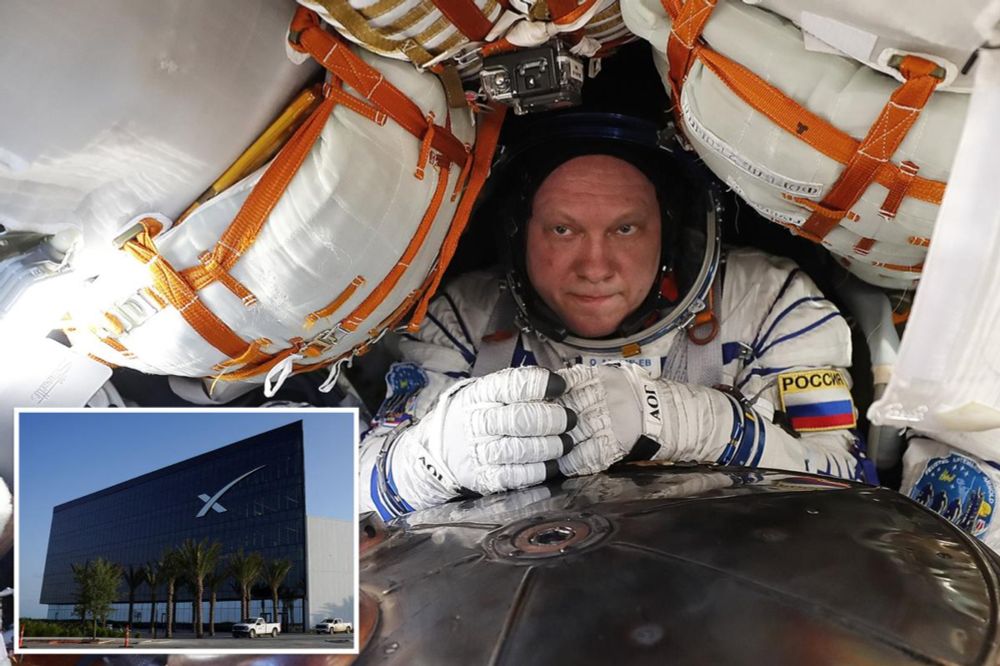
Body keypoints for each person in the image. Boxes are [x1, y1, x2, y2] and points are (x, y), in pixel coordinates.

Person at [360, 115, 875, 520]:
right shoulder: (467, 318)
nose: (595, 267)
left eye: (625, 229)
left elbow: (851, 487)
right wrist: (430, 458)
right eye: (563, 230)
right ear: (519, 233)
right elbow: (344, 503)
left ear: (668, 234)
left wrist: (695, 422)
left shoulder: (767, 301)